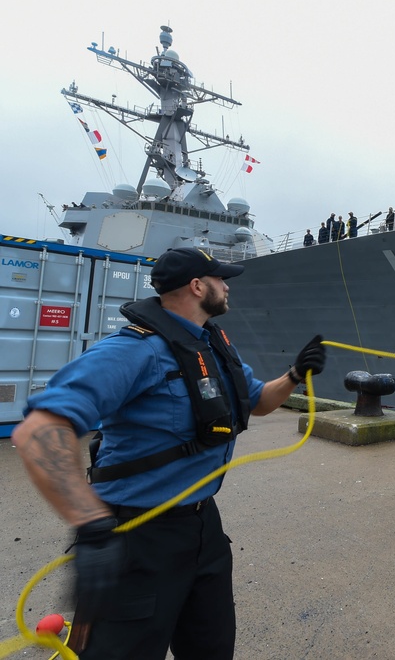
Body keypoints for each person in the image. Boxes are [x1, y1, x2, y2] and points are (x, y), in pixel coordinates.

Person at [10, 247, 326, 660]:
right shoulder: (131, 351)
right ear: (197, 287)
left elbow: (259, 401)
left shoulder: (210, 345)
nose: (227, 287)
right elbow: (39, 431)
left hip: (202, 529)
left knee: (211, 648)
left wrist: (293, 375)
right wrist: (89, 525)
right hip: (138, 537)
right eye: (220, 279)